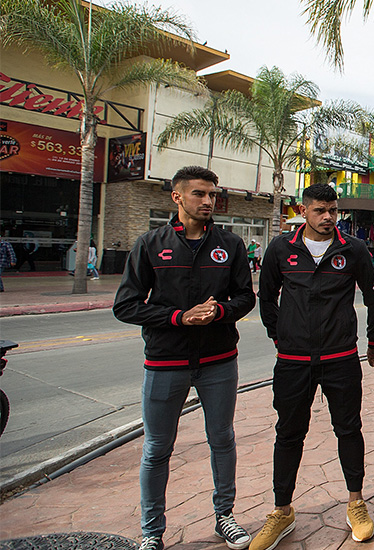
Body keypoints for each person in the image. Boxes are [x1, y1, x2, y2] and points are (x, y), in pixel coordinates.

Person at [113, 166, 256, 550]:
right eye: (199, 194)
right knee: (157, 448)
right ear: (177, 197)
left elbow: (246, 297)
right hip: (165, 361)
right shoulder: (150, 244)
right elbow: (125, 305)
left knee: (222, 439)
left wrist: (220, 311)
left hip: (219, 360)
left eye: (212, 195)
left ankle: (225, 516)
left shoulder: (230, 244)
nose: (208, 201)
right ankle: (151, 533)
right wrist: (179, 317)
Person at [253, 183, 374, 549]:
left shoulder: (353, 249)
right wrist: (279, 337)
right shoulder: (281, 248)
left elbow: (373, 296)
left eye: (333, 210)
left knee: (349, 430)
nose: (328, 217)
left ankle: (356, 503)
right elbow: (267, 297)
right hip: (293, 361)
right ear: (303, 211)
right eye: (319, 210)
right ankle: (282, 511)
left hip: (341, 358)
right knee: (288, 434)